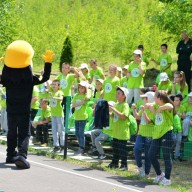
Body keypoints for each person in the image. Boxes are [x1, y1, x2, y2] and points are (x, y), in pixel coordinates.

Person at [1, 40, 54, 169]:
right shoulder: (29, 79)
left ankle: (10, 155)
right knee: (25, 133)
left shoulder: (7, 79)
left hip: (11, 110)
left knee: (12, 132)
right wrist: (47, 63)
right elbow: (45, 78)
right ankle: (21, 155)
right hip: (24, 110)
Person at [148, 90, 174, 186]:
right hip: (157, 134)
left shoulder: (166, 106)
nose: (154, 99)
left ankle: (167, 179)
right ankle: (159, 174)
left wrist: (161, 108)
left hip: (167, 133)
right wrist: (148, 106)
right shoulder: (155, 105)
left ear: (160, 98)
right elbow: (148, 105)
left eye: (155, 97)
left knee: (166, 156)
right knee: (151, 154)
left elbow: (171, 106)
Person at [132, 91, 155, 177]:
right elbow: (138, 117)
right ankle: (140, 168)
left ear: (149, 99)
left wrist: (143, 111)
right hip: (141, 133)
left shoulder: (153, 109)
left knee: (147, 154)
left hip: (149, 134)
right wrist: (134, 109)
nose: (143, 100)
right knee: (136, 149)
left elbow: (148, 121)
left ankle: (146, 173)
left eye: (144, 98)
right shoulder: (144, 108)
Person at [107, 87, 130, 171]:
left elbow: (123, 117)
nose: (117, 95)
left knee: (122, 150)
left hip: (122, 131)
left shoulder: (125, 105)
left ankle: (124, 165)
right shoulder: (116, 104)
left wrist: (114, 109)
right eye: (116, 93)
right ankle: (114, 163)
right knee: (115, 149)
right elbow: (114, 115)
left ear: (124, 96)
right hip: (116, 131)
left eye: (119, 93)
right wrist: (109, 113)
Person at [71, 81, 90, 155]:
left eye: (83, 88)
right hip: (77, 117)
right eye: (80, 87)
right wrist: (80, 103)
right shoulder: (76, 95)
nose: (81, 89)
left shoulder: (85, 96)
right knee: (77, 133)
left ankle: (82, 147)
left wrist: (88, 89)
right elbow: (73, 105)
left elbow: (88, 97)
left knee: (81, 132)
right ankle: (80, 146)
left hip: (83, 117)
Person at [49, 80, 65, 153]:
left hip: (59, 114)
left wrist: (54, 97)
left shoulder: (60, 92)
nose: (53, 86)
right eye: (53, 84)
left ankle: (63, 145)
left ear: (58, 86)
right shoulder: (51, 92)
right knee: (54, 130)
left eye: (55, 84)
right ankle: (56, 145)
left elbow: (61, 98)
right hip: (53, 114)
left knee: (60, 130)